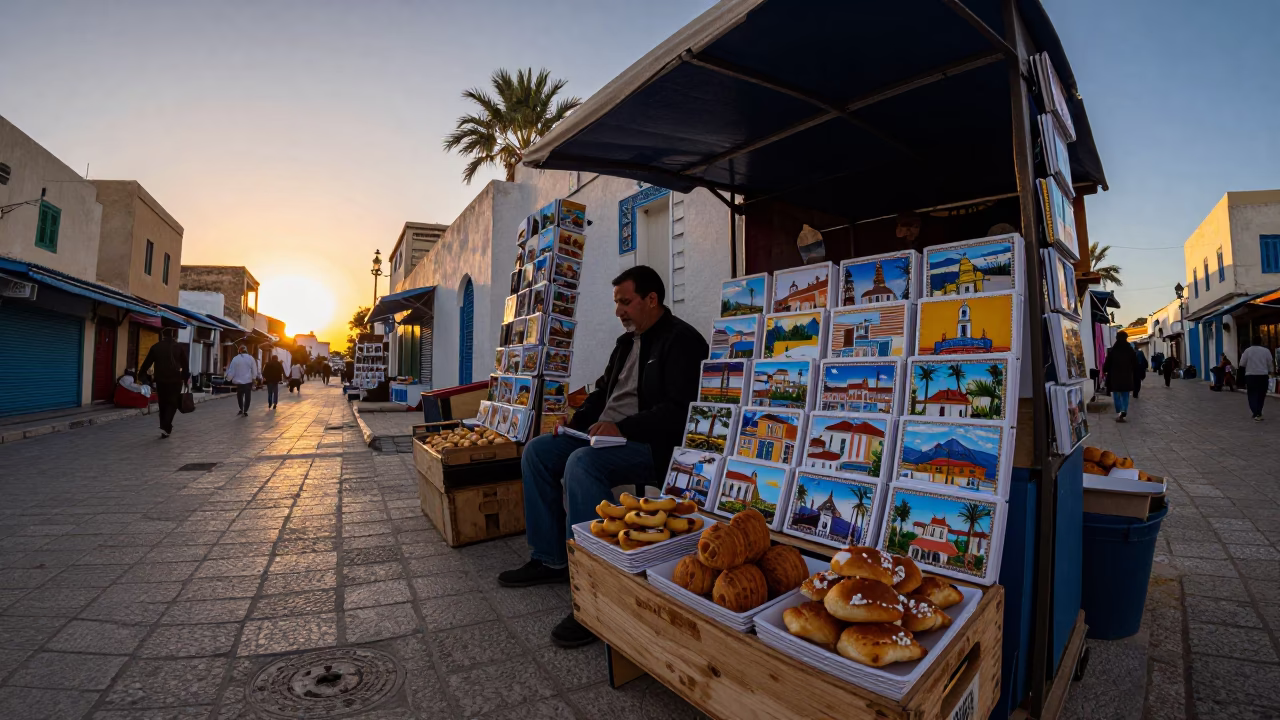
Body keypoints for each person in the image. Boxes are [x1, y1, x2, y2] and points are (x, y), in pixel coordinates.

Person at [496, 265, 708, 648]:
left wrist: (623, 429)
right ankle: (550, 559)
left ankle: (598, 585)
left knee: (581, 464)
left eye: (625, 302)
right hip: (605, 438)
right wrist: (573, 422)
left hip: (652, 447)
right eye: (616, 303)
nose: (619, 311)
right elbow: (601, 395)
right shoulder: (625, 343)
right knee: (538, 451)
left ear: (651, 299)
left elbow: (682, 410)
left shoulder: (682, 341)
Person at [138, 328, 189, 438]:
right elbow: (185, 365)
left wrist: (143, 377)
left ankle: (164, 427)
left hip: (161, 381)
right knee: (173, 403)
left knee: (163, 403)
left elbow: (146, 364)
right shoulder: (179, 347)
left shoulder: (156, 347)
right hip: (175, 381)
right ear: (174, 335)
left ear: (162, 335)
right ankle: (166, 426)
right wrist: (185, 379)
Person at [1102, 331, 1137, 422]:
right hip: (1127, 377)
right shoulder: (1130, 350)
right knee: (1125, 395)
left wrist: (1105, 370)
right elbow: (1135, 364)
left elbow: (1107, 364)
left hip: (1115, 377)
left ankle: (1119, 412)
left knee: (1116, 395)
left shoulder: (1112, 351)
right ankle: (1123, 411)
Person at [1239, 337, 1276, 421]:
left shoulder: (1247, 351)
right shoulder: (1266, 351)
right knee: (1261, 394)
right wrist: (1272, 373)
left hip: (1251, 375)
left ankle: (1256, 411)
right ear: (1261, 342)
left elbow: (1242, 363)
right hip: (1263, 375)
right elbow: (1270, 363)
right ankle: (1258, 411)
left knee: (1251, 394)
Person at [225, 345, 260, 416]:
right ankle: (245, 410)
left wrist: (228, 379)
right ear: (246, 350)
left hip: (239, 382)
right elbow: (254, 370)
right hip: (248, 381)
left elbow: (232, 371)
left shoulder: (235, 359)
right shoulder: (251, 358)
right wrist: (254, 378)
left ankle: (241, 408)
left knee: (239, 396)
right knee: (247, 396)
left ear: (239, 351)